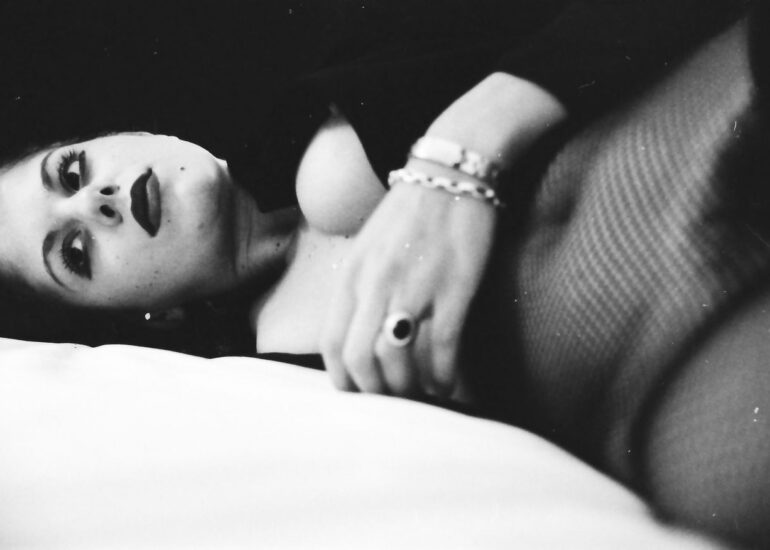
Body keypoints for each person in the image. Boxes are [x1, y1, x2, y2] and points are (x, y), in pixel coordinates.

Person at [0, 0, 765, 546]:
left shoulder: (356, 64)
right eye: (74, 253)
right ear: (143, 319)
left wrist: (462, 154)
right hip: (683, 384)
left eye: (71, 171)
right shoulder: (278, 400)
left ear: (128, 131)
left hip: (719, 122)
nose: (95, 202)